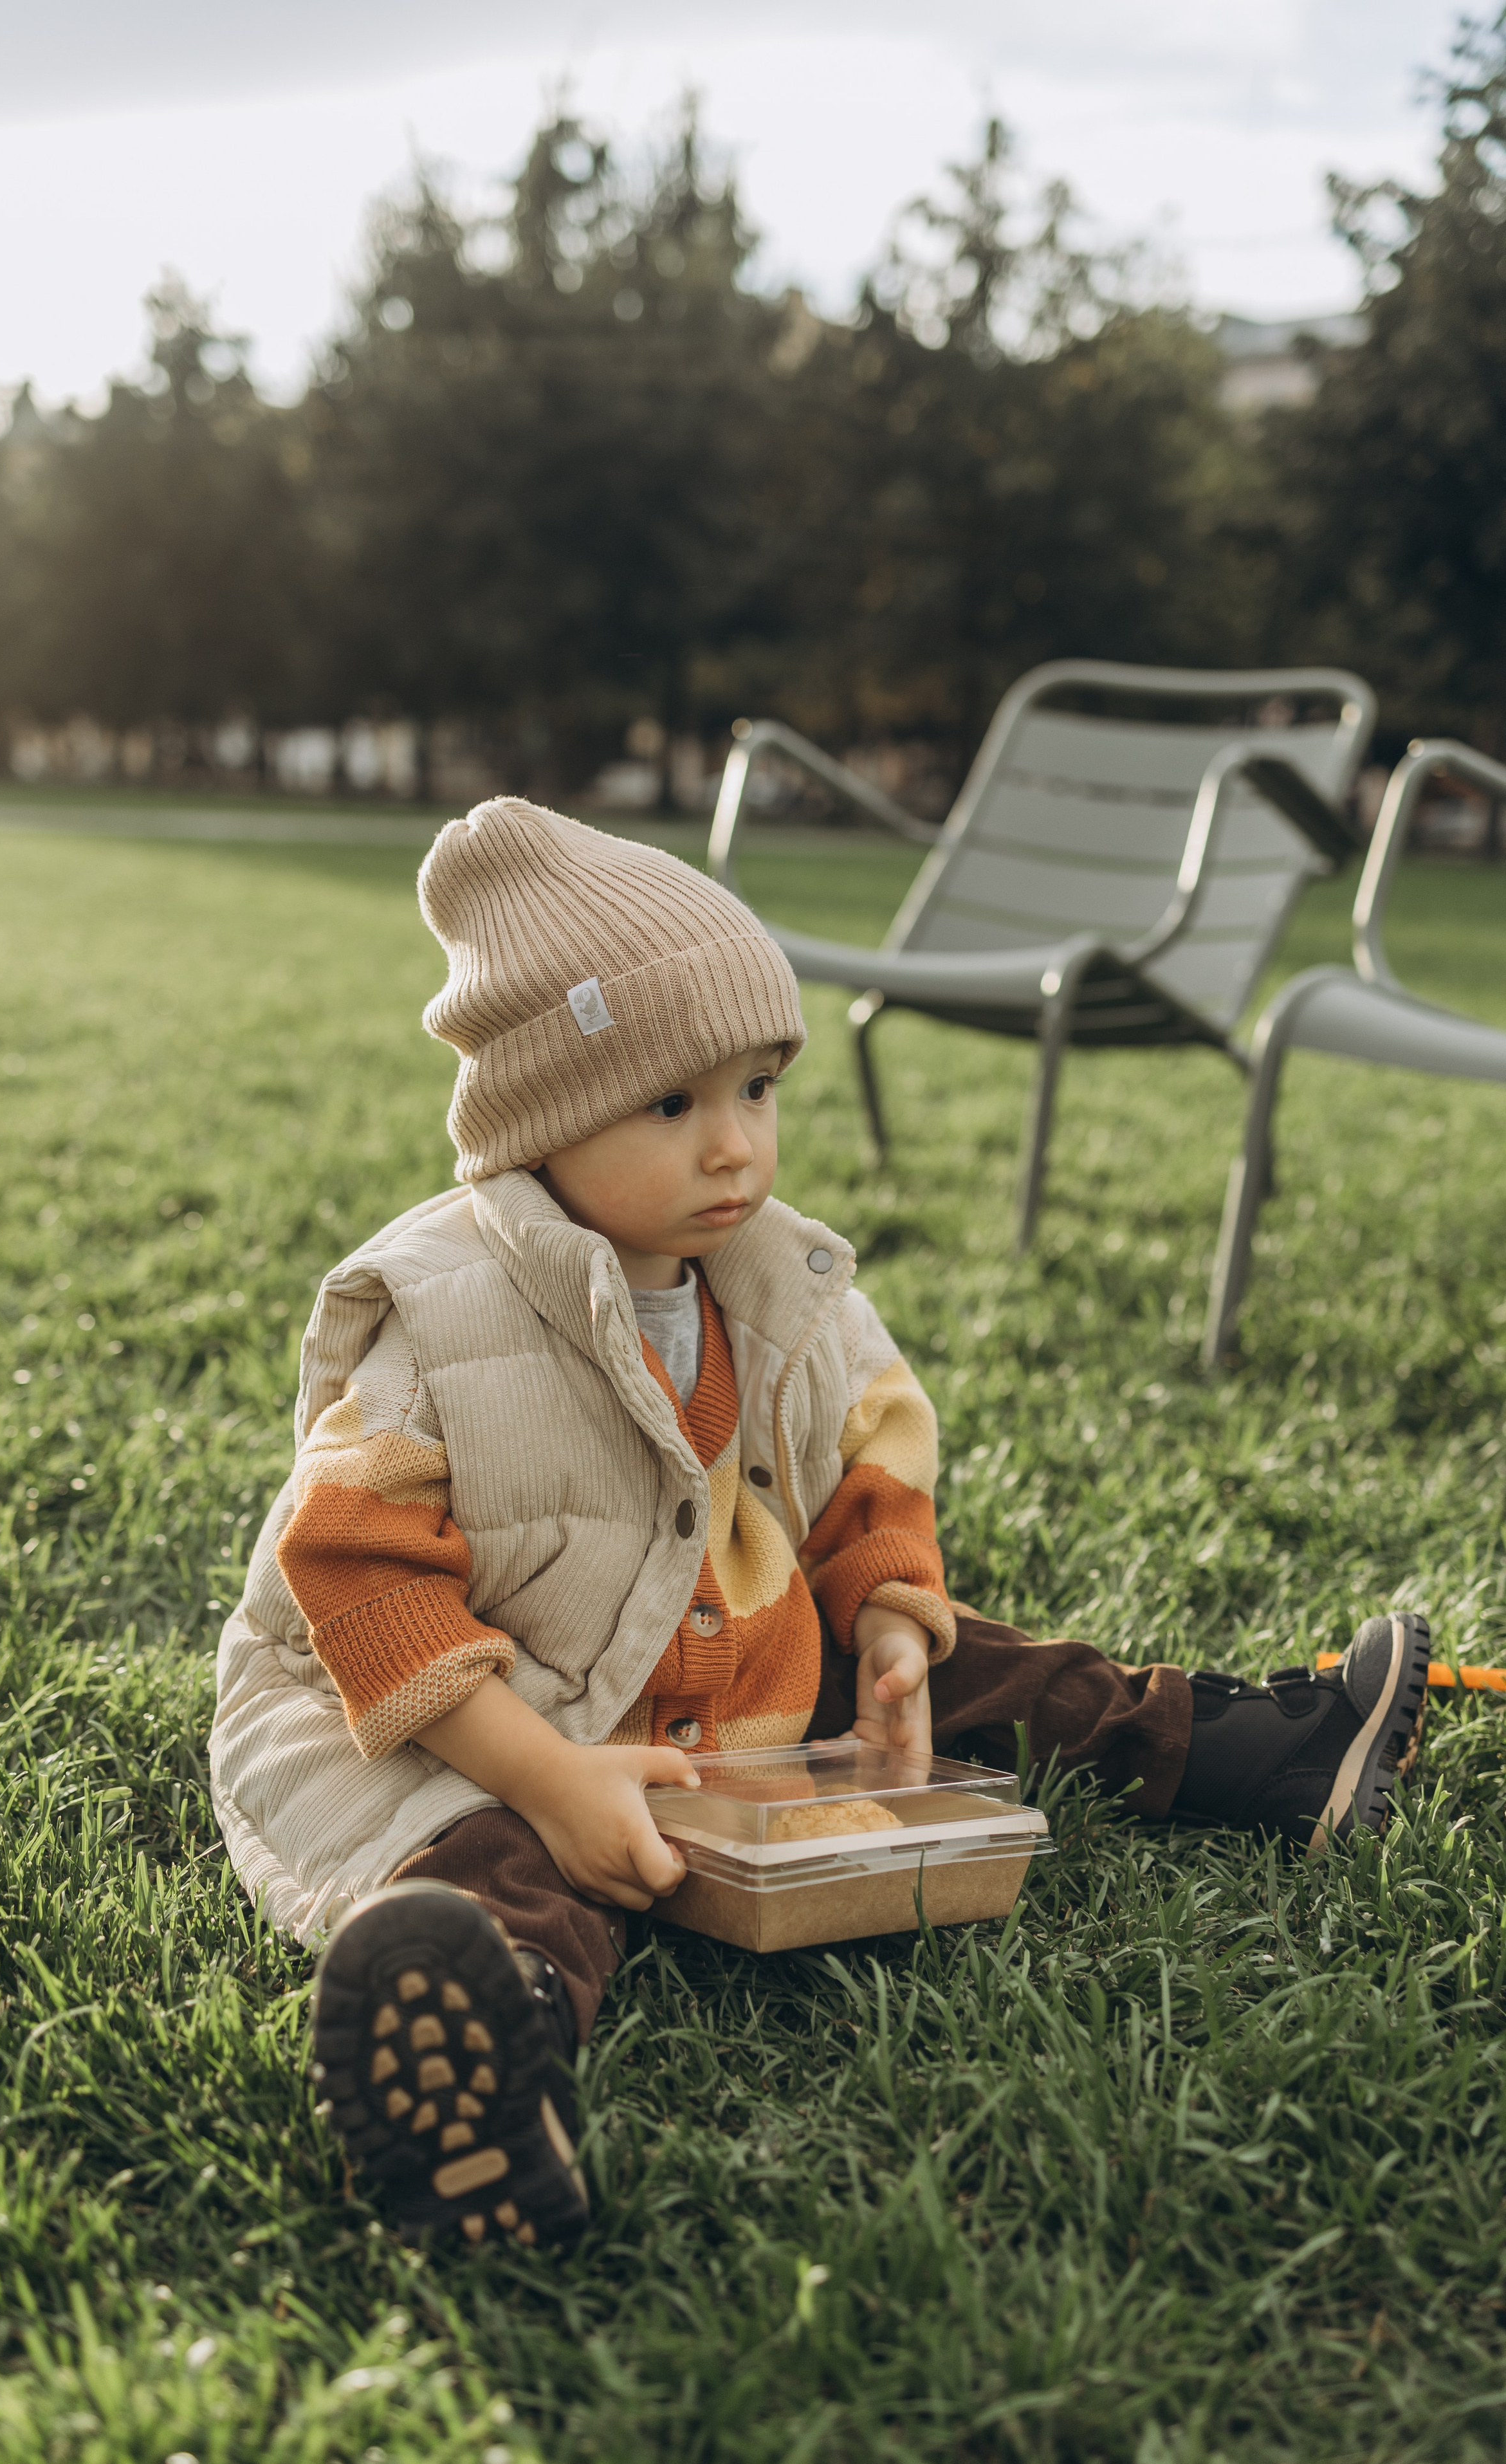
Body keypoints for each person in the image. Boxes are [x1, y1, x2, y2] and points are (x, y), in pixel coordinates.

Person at [208, 797, 1431, 2253]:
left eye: (757, 1089)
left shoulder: (773, 1278)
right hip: (487, 1701)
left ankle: (1269, 1754)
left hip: (727, 1651)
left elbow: (867, 1471)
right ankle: (478, 2079)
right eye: (672, 1106)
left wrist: (894, 1629)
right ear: (539, 1123)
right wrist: (545, 1775)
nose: (733, 1149)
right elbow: (356, 1577)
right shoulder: (442, 1316)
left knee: (992, 1666)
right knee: (502, 1871)